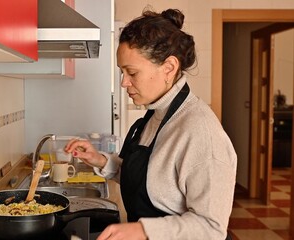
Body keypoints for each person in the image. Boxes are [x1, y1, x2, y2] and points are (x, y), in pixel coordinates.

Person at [65, 8, 237, 240]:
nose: (124, 82)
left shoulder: (201, 132)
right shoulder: (155, 115)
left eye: (132, 73)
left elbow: (211, 228)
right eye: (122, 72)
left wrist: (144, 230)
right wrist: (101, 161)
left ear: (169, 68)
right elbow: (151, 181)